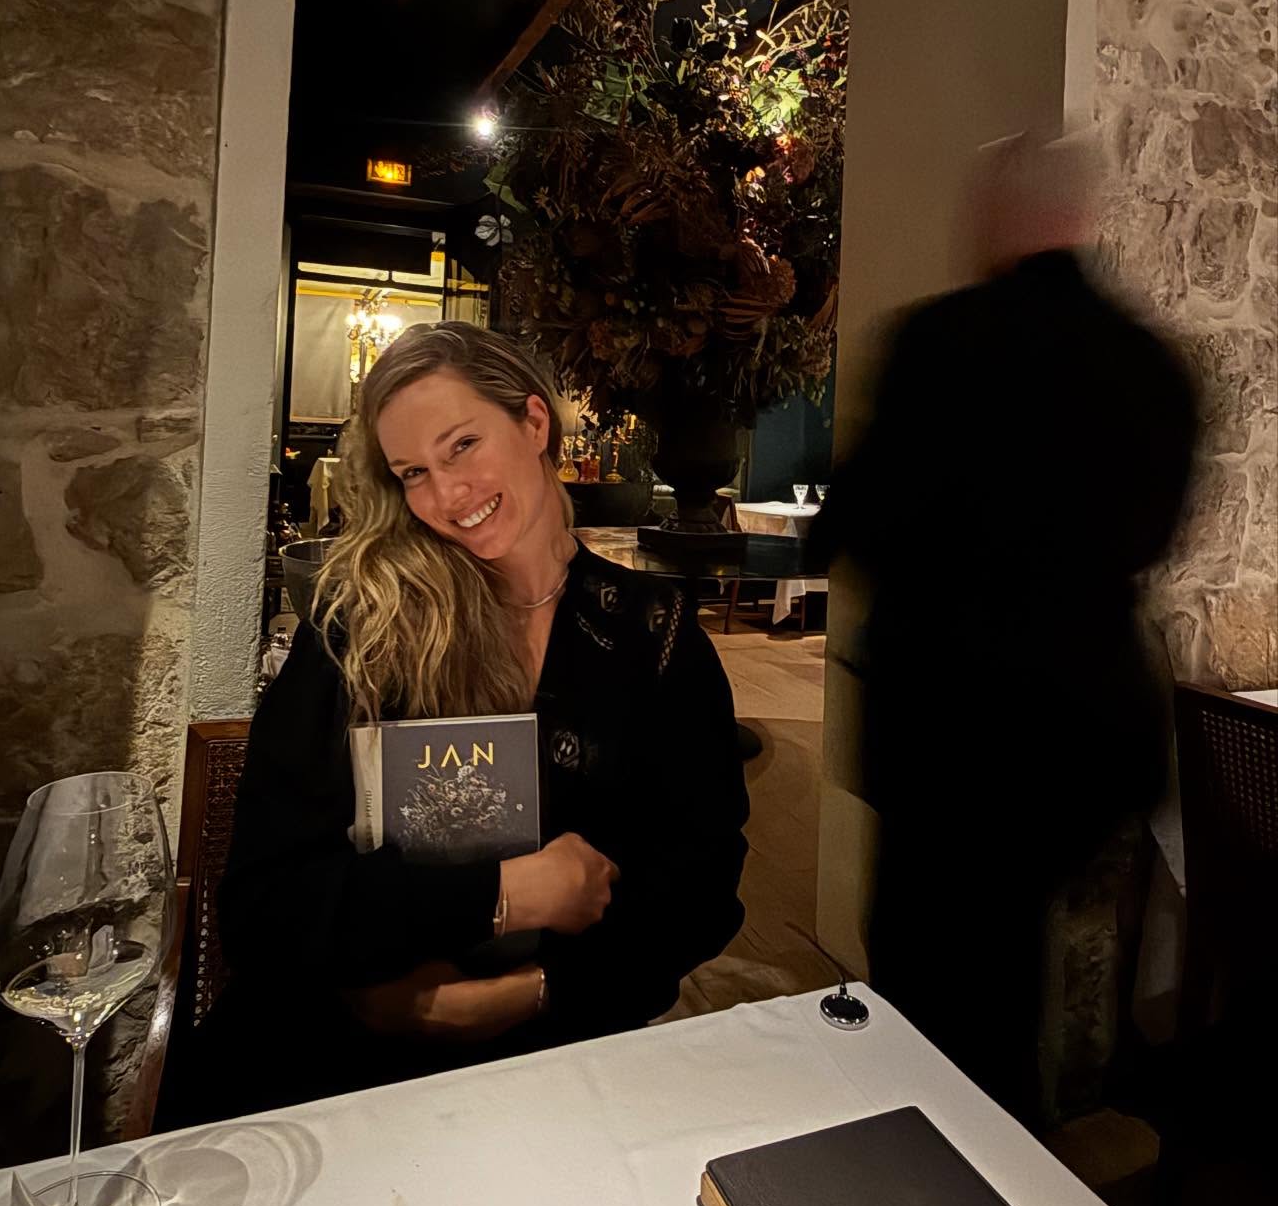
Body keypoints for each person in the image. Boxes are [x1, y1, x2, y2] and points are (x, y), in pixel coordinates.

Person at [186, 322, 748, 1119]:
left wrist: (539, 990)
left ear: (533, 422)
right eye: (413, 472)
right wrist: (504, 894)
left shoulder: (652, 635)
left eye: (462, 446)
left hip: (558, 1068)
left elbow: (702, 890)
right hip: (334, 1067)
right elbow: (263, 911)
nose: (447, 496)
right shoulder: (363, 627)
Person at [810, 127, 1197, 1123]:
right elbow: (1153, 539)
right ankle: (1022, 1139)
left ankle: (928, 1152)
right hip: (1084, 735)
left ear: (998, 216)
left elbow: (858, 523)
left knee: (928, 974)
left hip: (947, 727)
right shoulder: (1153, 365)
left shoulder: (939, 342)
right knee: (1023, 963)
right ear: (1085, 216)